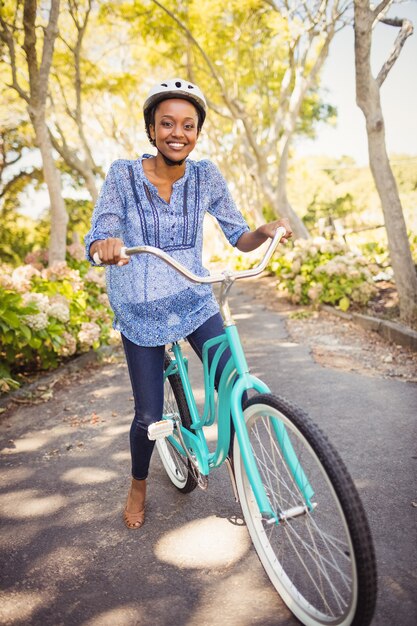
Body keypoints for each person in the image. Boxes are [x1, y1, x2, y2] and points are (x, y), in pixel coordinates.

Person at [85, 78, 292, 529]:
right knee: (149, 415)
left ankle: (242, 474)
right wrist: (105, 243)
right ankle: (138, 484)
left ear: (197, 132)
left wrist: (267, 230)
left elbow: (239, 236)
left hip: (193, 297)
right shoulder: (123, 175)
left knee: (234, 384)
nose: (177, 132)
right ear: (152, 130)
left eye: (188, 125)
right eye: (167, 123)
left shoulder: (206, 176)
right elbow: (102, 228)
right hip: (140, 309)